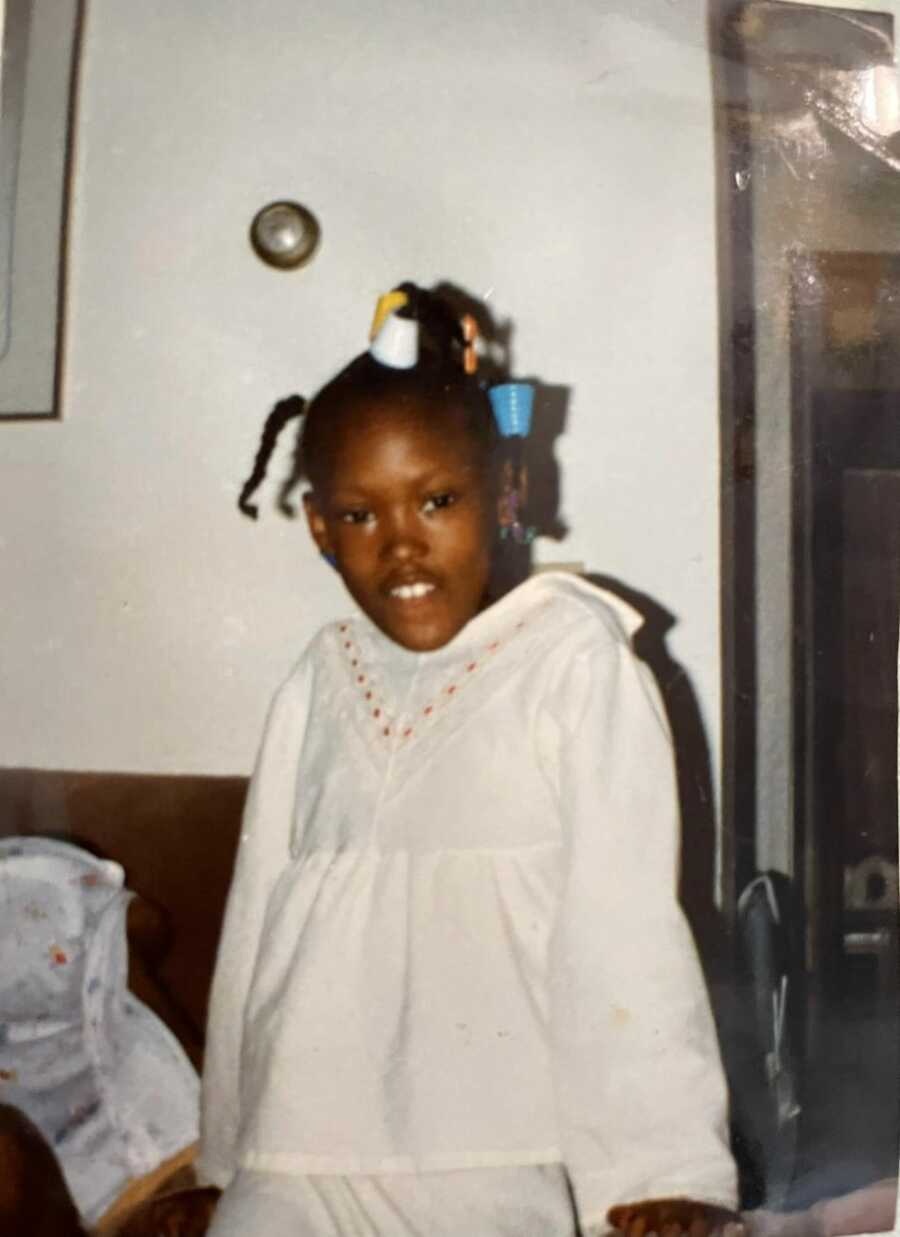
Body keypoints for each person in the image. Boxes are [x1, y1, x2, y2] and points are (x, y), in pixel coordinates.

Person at [198, 282, 740, 1237]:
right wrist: (222, 1152)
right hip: (295, 1154)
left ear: (505, 496)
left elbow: (623, 930)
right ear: (320, 529)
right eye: (361, 515)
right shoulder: (317, 682)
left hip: (494, 1152)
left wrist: (662, 1167)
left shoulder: (575, 658)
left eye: (438, 500)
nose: (402, 541)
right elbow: (253, 929)